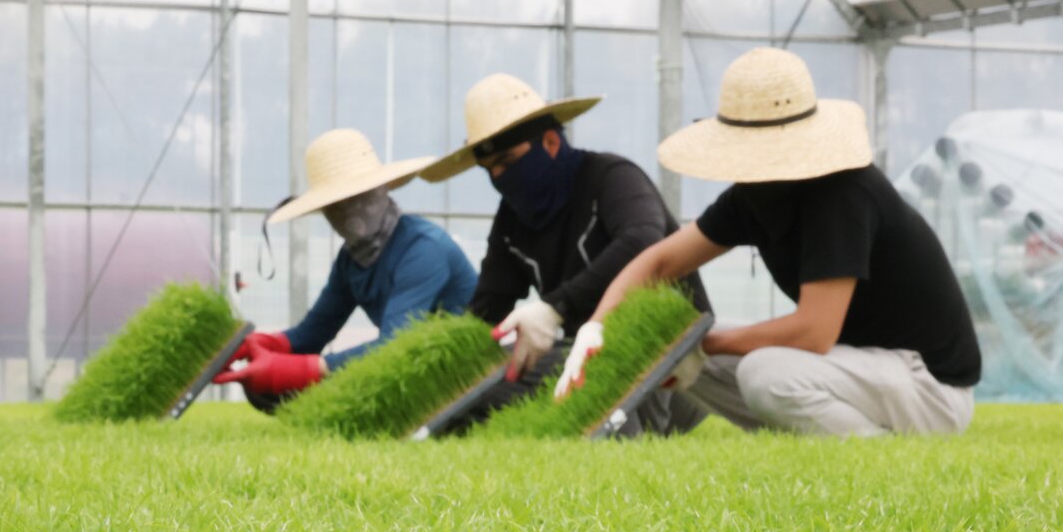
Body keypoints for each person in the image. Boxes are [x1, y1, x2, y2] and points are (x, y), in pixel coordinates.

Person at [554, 48, 982, 437]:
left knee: (762, 372)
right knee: (680, 356)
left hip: (929, 387)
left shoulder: (842, 193)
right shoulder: (754, 195)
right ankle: (808, 440)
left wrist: (698, 344)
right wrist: (596, 327)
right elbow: (660, 262)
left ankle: (884, 457)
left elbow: (815, 331)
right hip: (863, 368)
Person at [420, 73, 713, 434]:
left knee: (595, 397)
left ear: (550, 142)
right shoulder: (512, 219)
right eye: (489, 168)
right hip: (574, 348)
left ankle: (638, 437)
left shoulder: (610, 177)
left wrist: (555, 307)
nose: (498, 175)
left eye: (508, 161)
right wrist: (445, 364)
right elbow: (489, 304)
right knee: (480, 398)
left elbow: (642, 240)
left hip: (668, 349)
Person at [215, 128, 477, 411]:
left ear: (382, 189)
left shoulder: (423, 249)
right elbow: (314, 332)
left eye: (358, 196)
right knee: (266, 388)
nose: (348, 210)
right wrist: (263, 345)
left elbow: (396, 347)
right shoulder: (350, 261)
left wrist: (304, 369)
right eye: (335, 204)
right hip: (412, 370)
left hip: (463, 371)